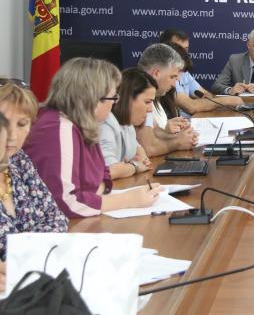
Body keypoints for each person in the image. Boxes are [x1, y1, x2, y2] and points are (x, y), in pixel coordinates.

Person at [23, 58, 164, 218]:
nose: (114, 104)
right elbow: (66, 202)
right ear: (93, 99)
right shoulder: (58, 127)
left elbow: (102, 176)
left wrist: (95, 192)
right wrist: (128, 199)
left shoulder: (84, 125)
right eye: (113, 98)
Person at [0, 82, 68, 263]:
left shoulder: (19, 160)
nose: (12, 135)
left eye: (22, 124)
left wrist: (27, 260)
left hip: (36, 272)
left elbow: (56, 219)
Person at [159, 29, 243, 116]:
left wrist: (216, 102)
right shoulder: (166, 75)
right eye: (179, 48)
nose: (183, 53)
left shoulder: (184, 72)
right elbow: (190, 106)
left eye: (186, 49)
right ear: (165, 49)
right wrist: (226, 100)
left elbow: (205, 94)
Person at [137, 43, 198, 157]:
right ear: (156, 73)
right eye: (172, 77)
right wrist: (178, 142)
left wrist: (178, 136)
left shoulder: (151, 92)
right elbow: (148, 148)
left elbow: (154, 131)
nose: (174, 84)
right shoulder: (138, 93)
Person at [99, 68, 156, 180]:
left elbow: (138, 150)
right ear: (127, 99)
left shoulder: (128, 124)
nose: (150, 109)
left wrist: (141, 158)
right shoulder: (104, 124)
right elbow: (108, 171)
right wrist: (135, 166)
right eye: (147, 102)